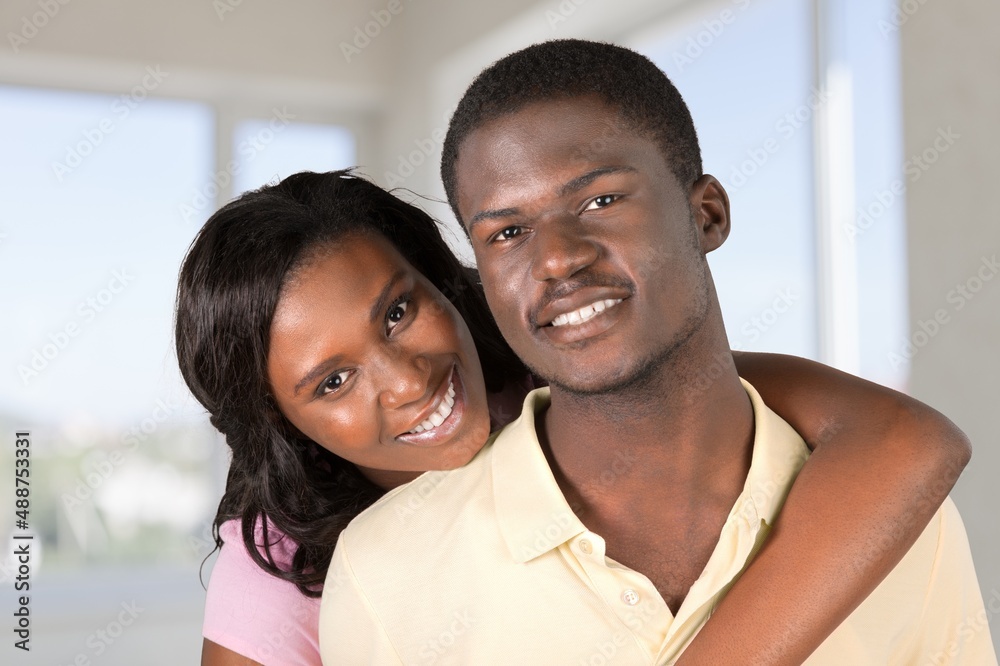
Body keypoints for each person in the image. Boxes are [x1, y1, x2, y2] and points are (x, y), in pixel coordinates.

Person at [319, 41, 996, 665]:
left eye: (600, 199)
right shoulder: (385, 570)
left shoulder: (902, 519)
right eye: (507, 233)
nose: (555, 259)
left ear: (707, 215)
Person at [179, 171, 965, 666]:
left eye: (397, 313)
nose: (406, 381)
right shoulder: (282, 569)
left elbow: (910, 441)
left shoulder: (581, 374)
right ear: (280, 421)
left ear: (442, 280)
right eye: (334, 381)